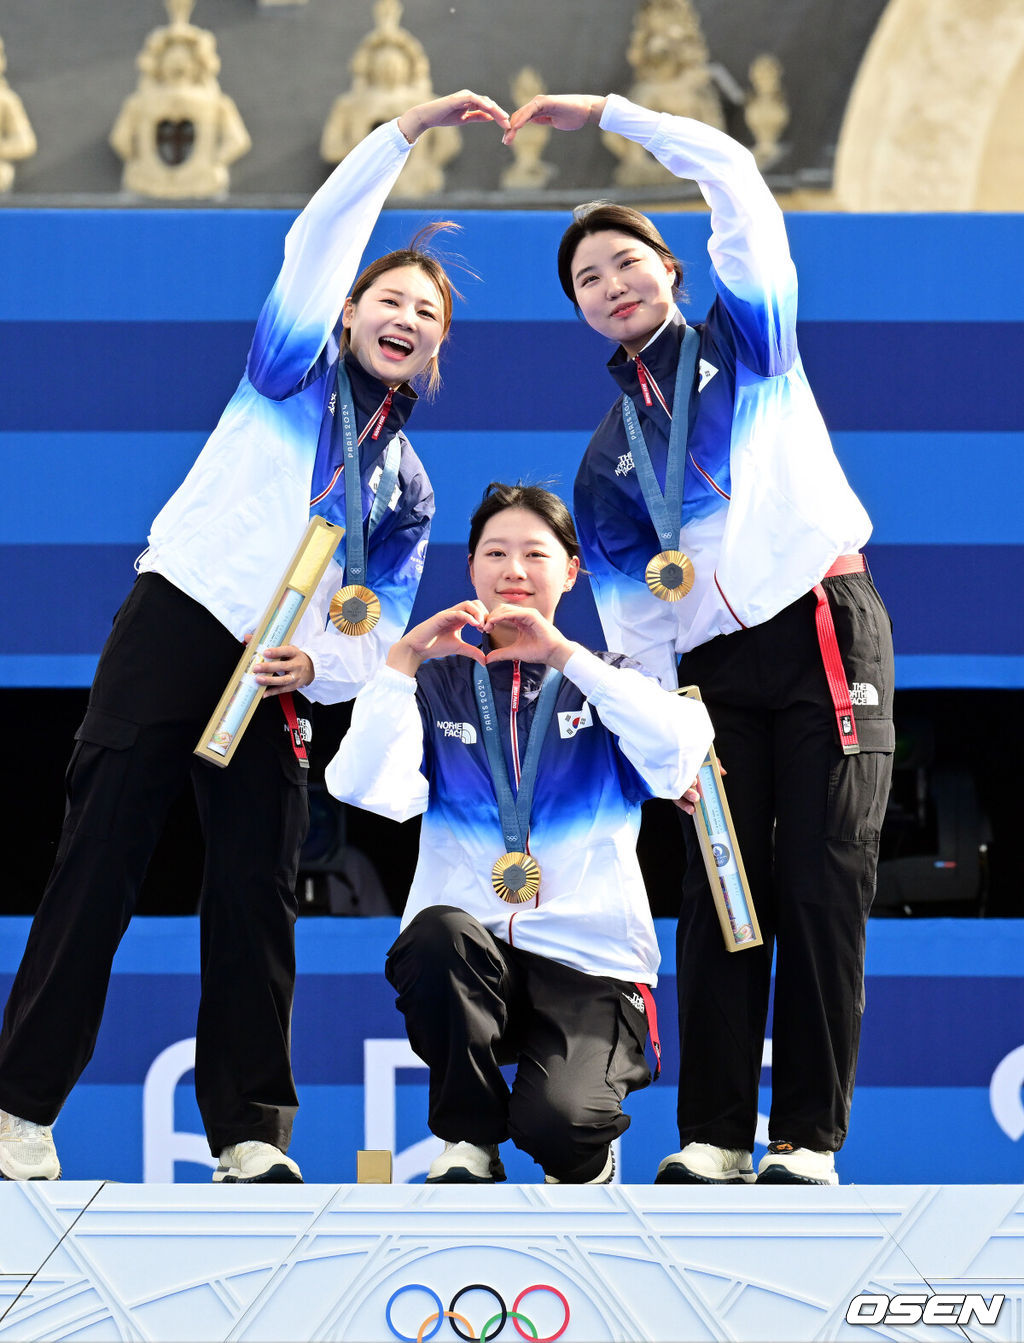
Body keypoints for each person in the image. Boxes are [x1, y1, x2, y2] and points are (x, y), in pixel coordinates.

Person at [0, 90, 510, 1185]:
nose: (406, 317)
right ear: (343, 312)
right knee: (100, 860)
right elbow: (316, 236)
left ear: (433, 357)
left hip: (275, 678)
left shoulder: (409, 488)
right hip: (179, 620)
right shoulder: (285, 371)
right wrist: (402, 135)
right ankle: (19, 1108)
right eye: (389, 296)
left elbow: (369, 629)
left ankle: (249, 1132)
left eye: (427, 315)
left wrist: (316, 664)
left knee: (255, 890)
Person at [504, 94, 894, 1186]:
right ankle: (716, 1134)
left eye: (626, 262)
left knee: (820, 879)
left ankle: (807, 1139)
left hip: (820, 625)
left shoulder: (749, 337)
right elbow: (633, 631)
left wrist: (612, 115)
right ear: (579, 312)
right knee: (722, 887)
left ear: (671, 268)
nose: (612, 284)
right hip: (711, 675)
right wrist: (664, 743)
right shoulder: (601, 463)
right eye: (587, 280)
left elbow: (735, 179)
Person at [326, 484, 713, 1183]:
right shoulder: (438, 685)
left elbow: (682, 749)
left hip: (590, 965)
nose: (514, 569)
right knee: (437, 932)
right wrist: (402, 661)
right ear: (471, 567)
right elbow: (360, 786)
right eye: (496, 552)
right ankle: (468, 1140)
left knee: (560, 1127)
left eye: (536, 553)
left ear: (571, 570)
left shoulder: (611, 679)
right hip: (479, 961)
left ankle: (581, 1141)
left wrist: (567, 657)